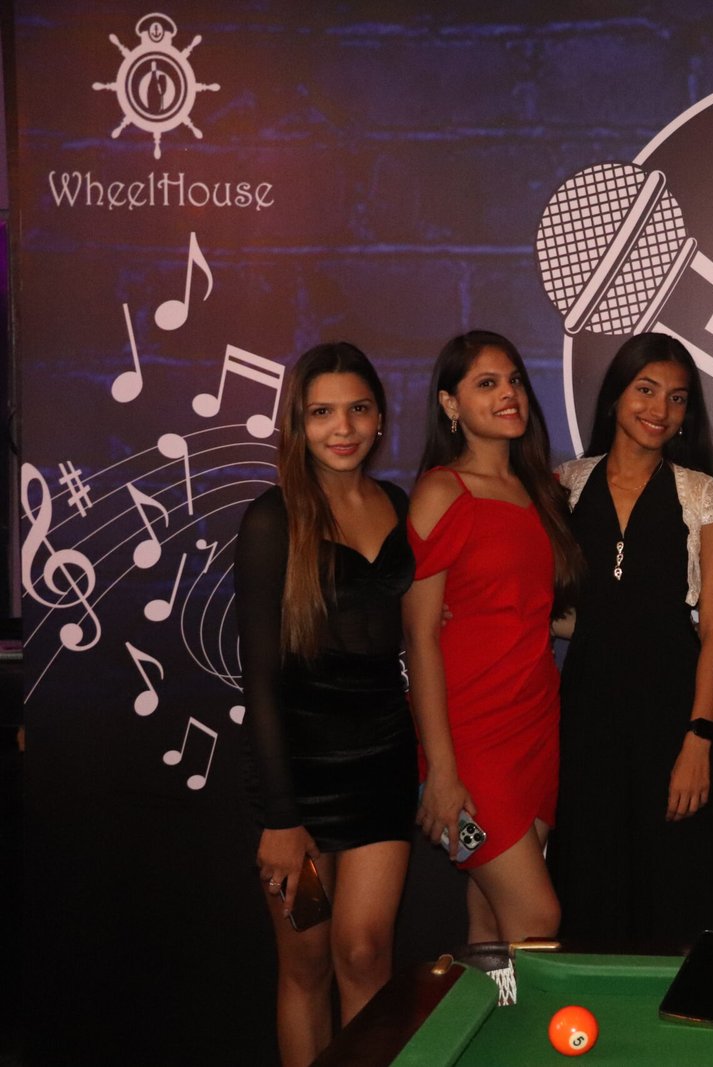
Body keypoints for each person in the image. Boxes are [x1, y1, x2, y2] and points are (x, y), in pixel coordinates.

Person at [237, 342, 416, 1066]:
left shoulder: (398, 504)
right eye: (322, 412)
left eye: (358, 409)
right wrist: (282, 817)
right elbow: (259, 679)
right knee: (306, 965)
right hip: (301, 784)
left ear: (380, 417)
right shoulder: (273, 519)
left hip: (383, 767)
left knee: (366, 952)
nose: (342, 428)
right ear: (298, 423)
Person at [548, 333, 713, 946]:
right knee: (592, 894)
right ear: (615, 396)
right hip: (587, 721)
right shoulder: (563, 486)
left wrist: (698, 739)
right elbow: (546, 607)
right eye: (646, 390)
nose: (660, 409)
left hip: (675, 719)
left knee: (680, 896)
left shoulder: (703, 494)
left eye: (677, 398)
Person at [403, 330, 582, 943]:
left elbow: (539, 612)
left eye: (514, 381)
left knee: (489, 914)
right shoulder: (441, 491)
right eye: (487, 383)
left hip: (534, 722)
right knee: (538, 918)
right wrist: (442, 771)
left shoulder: (541, 492)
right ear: (450, 403)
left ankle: (490, 1009)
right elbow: (419, 637)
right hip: (469, 738)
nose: (509, 394)